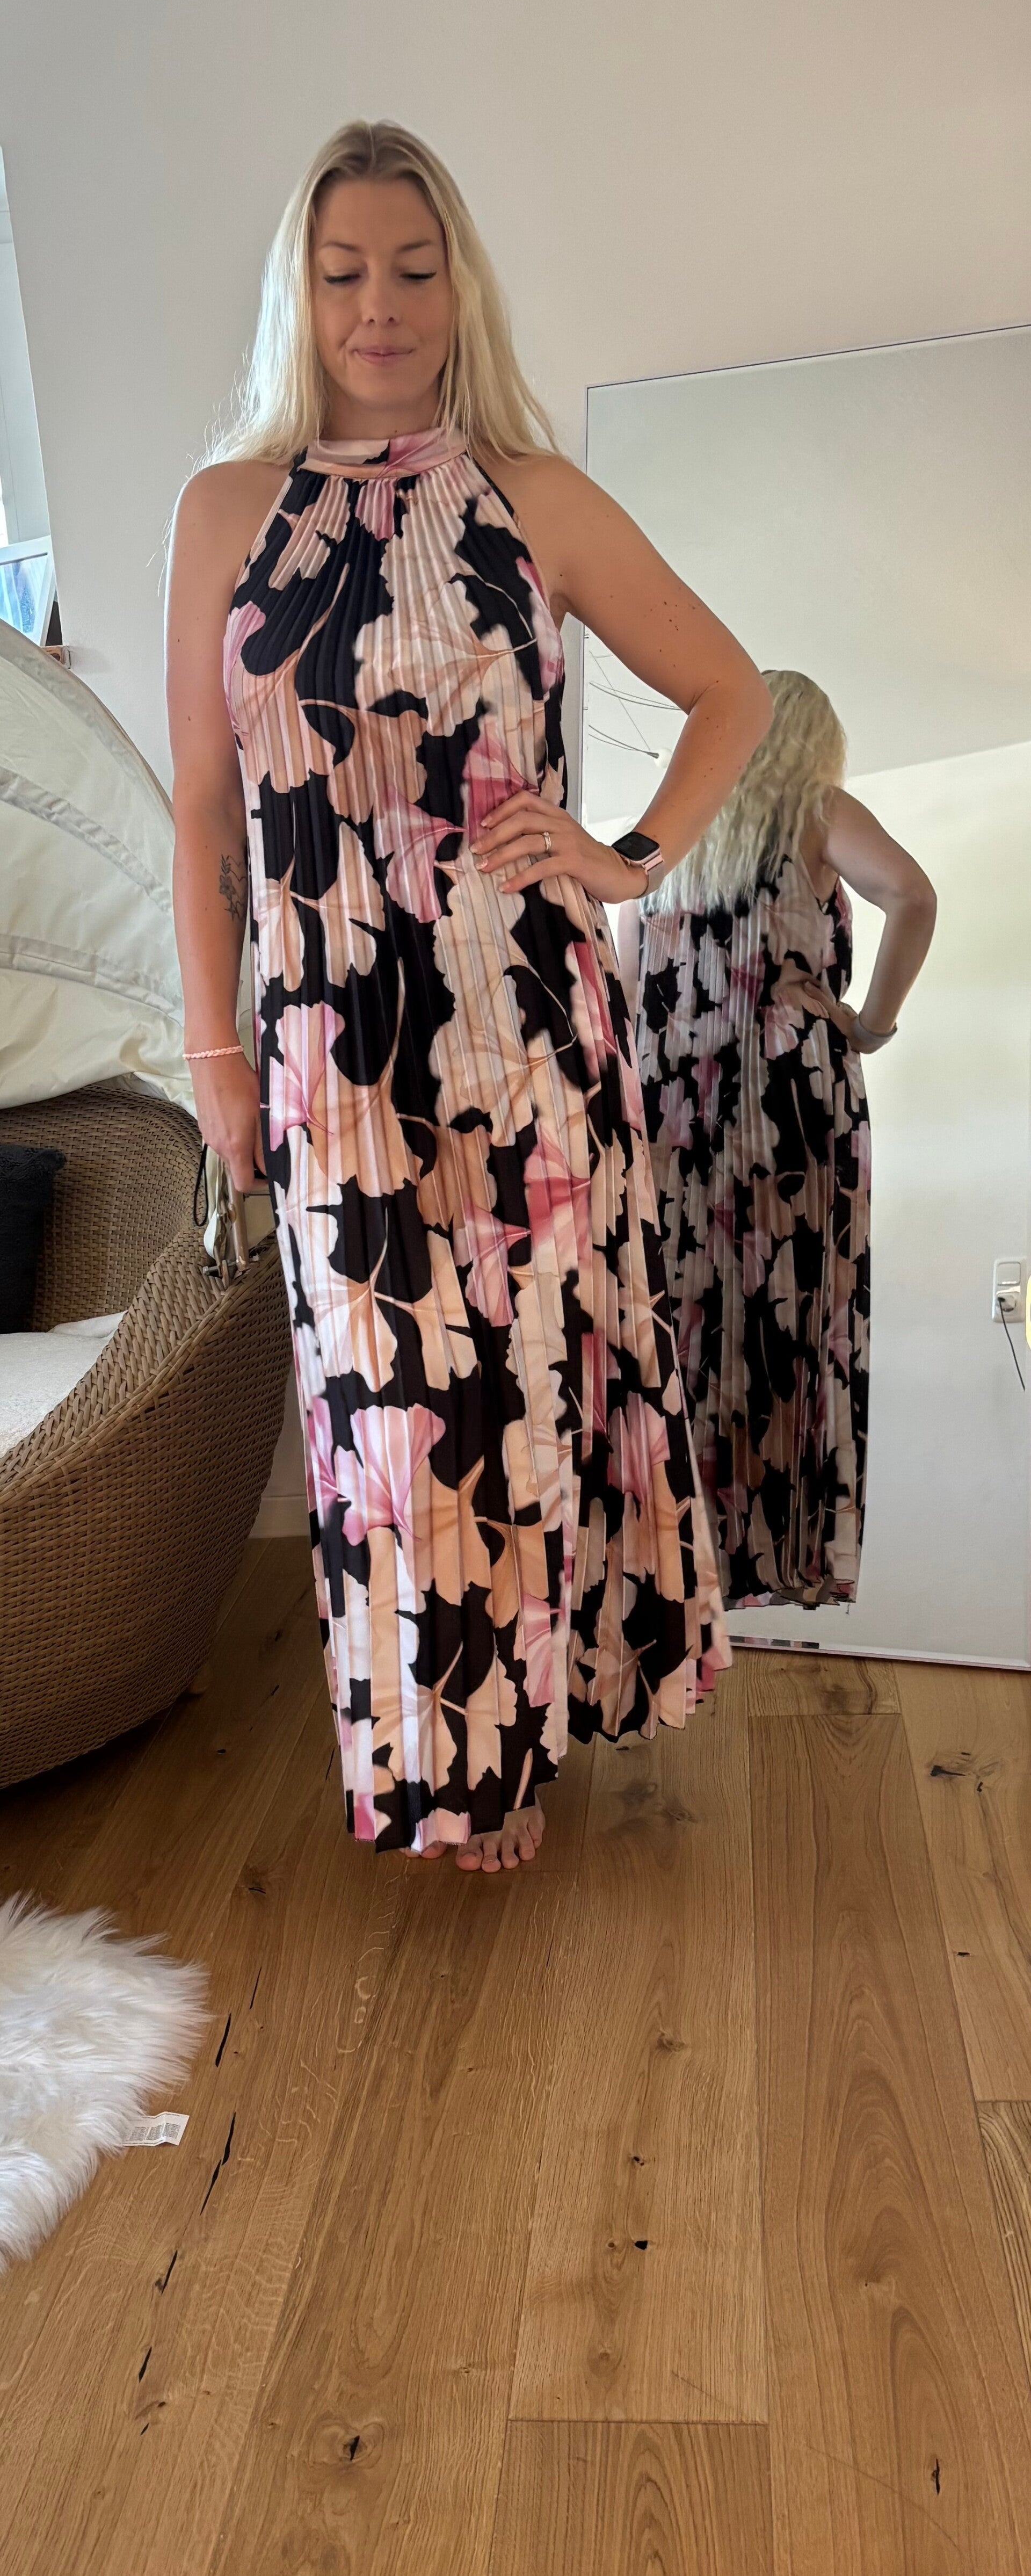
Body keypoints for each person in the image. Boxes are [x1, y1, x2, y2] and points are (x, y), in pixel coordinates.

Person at [166, 119, 771, 1868]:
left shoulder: (533, 496)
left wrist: (625, 854)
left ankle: (512, 1746)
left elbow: (732, 688)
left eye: (415, 270)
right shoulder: (226, 510)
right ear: (299, 294)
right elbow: (203, 807)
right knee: (390, 1408)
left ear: (461, 287)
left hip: (527, 1029)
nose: (381, 305)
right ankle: (447, 1752)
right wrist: (213, 1049)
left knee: (522, 1383)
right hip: (331, 1048)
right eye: (345, 272)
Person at [619, 669, 935, 1608]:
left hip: (675, 1109)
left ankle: (676, 1557)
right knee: (791, 1314)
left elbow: (626, 988)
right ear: (811, 744)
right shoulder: (815, 807)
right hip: (791, 1102)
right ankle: (775, 1546)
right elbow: (913, 896)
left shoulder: (670, 832)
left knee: (682, 1314)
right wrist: (868, 1025)